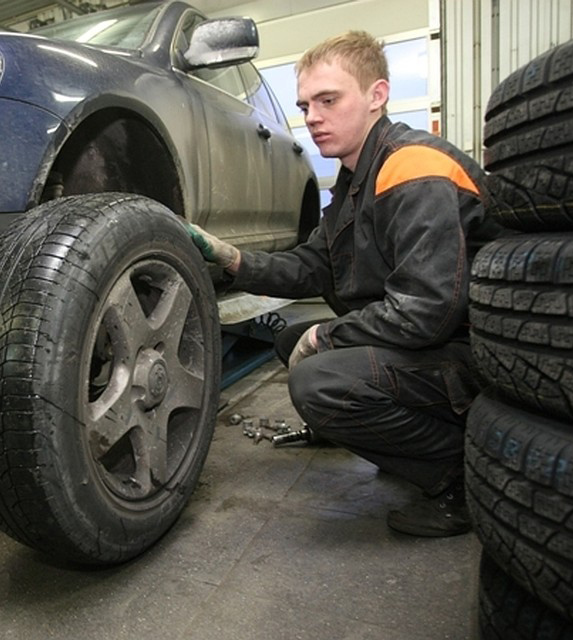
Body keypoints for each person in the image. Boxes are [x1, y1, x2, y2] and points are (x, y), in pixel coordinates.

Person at [188, 30, 503, 537]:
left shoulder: (413, 167)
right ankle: (392, 434)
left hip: (476, 355)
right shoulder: (354, 182)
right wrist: (232, 258)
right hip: (435, 343)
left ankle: (458, 479)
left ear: (377, 96)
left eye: (328, 100)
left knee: (318, 379)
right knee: (290, 339)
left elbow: (427, 311)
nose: (312, 117)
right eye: (305, 105)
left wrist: (326, 337)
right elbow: (311, 267)